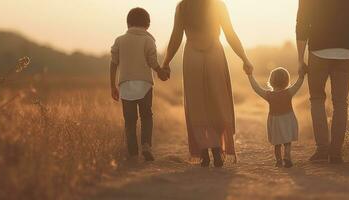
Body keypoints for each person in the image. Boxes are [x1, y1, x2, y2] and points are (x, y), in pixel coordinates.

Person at [161, 0, 253, 167]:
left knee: (197, 105)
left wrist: (166, 62)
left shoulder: (183, 6)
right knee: (217, 103)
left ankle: (204, 153)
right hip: (214, 55)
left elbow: (176, 36)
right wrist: (244, 58)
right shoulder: (218, 5)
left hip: (192, 57)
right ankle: (217, 150)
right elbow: (230, 34)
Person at [296, 0, 349, 164]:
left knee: (316, 99)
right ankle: (336, 153)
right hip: (344, 54)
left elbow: (302, 23)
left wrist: (300, 59)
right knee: (340, 103)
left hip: (317, 52)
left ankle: (322, 149)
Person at [109, 7, 169, 162]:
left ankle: (133, 152)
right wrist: (160, 72)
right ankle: (146, 145)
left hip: (125, 85)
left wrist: (112, 86)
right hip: (144, 85)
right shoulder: (148, 40)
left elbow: (113, 63)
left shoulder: (119, 40)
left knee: (130, 120)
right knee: (146, 116)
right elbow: (152, 62)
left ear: (128, 23)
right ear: (147, 24)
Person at [247, 67, 305, 168]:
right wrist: (301, 75)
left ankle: (278, 161)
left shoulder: (269, 95)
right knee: (287, 141)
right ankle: (287, 156)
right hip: (287, 119)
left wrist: (250, 76)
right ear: (287, 81)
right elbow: (298, 84)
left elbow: (256, 88)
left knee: (277, 143)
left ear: (271, 81)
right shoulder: (289, 92)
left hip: (275, 121)